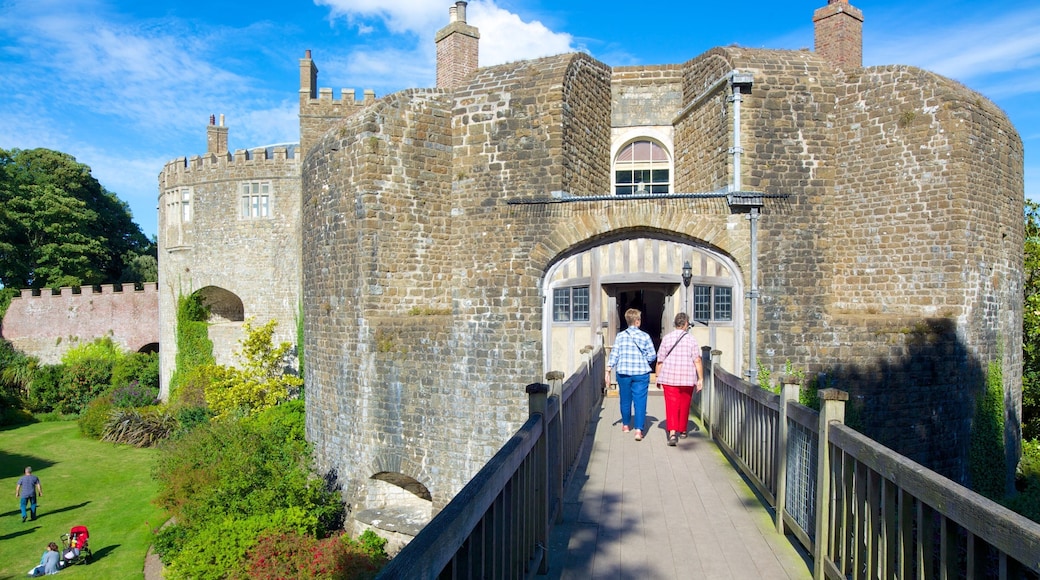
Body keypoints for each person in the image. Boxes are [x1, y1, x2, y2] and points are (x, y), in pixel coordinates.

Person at [605, 308, 656, 441]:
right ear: (637, 321)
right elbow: (652, 355)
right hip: (641, 373)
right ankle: (639, 430)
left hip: (624, 373)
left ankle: (626, 425)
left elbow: (615, 354)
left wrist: (608, 370)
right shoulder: (645, 336)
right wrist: (644, 360)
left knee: (625, 400)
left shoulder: (620, 336)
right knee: (640, 402)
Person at [655, 312, 704, 446]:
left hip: (670, 377)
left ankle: (672, 433)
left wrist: (658, 377)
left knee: (671, 405)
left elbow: (660, 359)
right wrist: (700, 378)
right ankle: (682, 430)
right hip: (687, 377)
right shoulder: (691, 340)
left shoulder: (667, 338)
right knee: (685, 403)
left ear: (675, 324)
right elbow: (697, 360)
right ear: (686, 324)